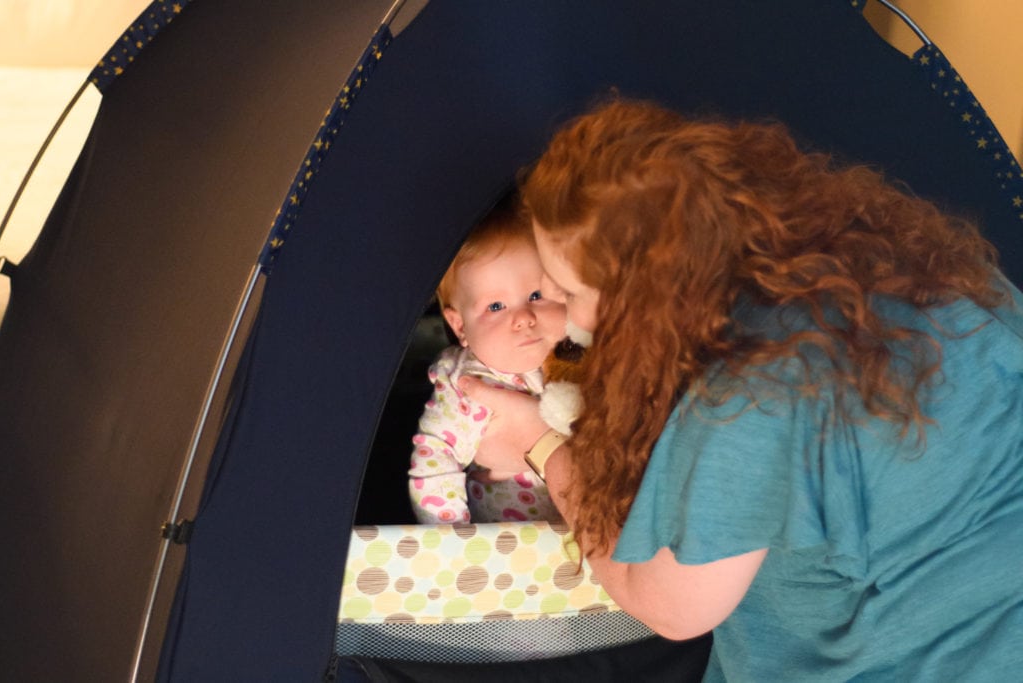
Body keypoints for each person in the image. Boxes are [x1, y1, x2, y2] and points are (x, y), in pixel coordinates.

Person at [459, 99, 1023, 680]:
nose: (567, 317)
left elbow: (671, 608)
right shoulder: (929, 271)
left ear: (643, 299)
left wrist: (541, 442)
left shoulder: (748, 400)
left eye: (569, 294)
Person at [408, 196, 567, 524]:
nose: (523, 317)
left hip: (590, 532)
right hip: (508, 545)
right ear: (460, 326)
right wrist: (453, 541)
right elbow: (436, 457)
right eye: (496, 306)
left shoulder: (577, 355)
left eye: (535, 296)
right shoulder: (467, 384)